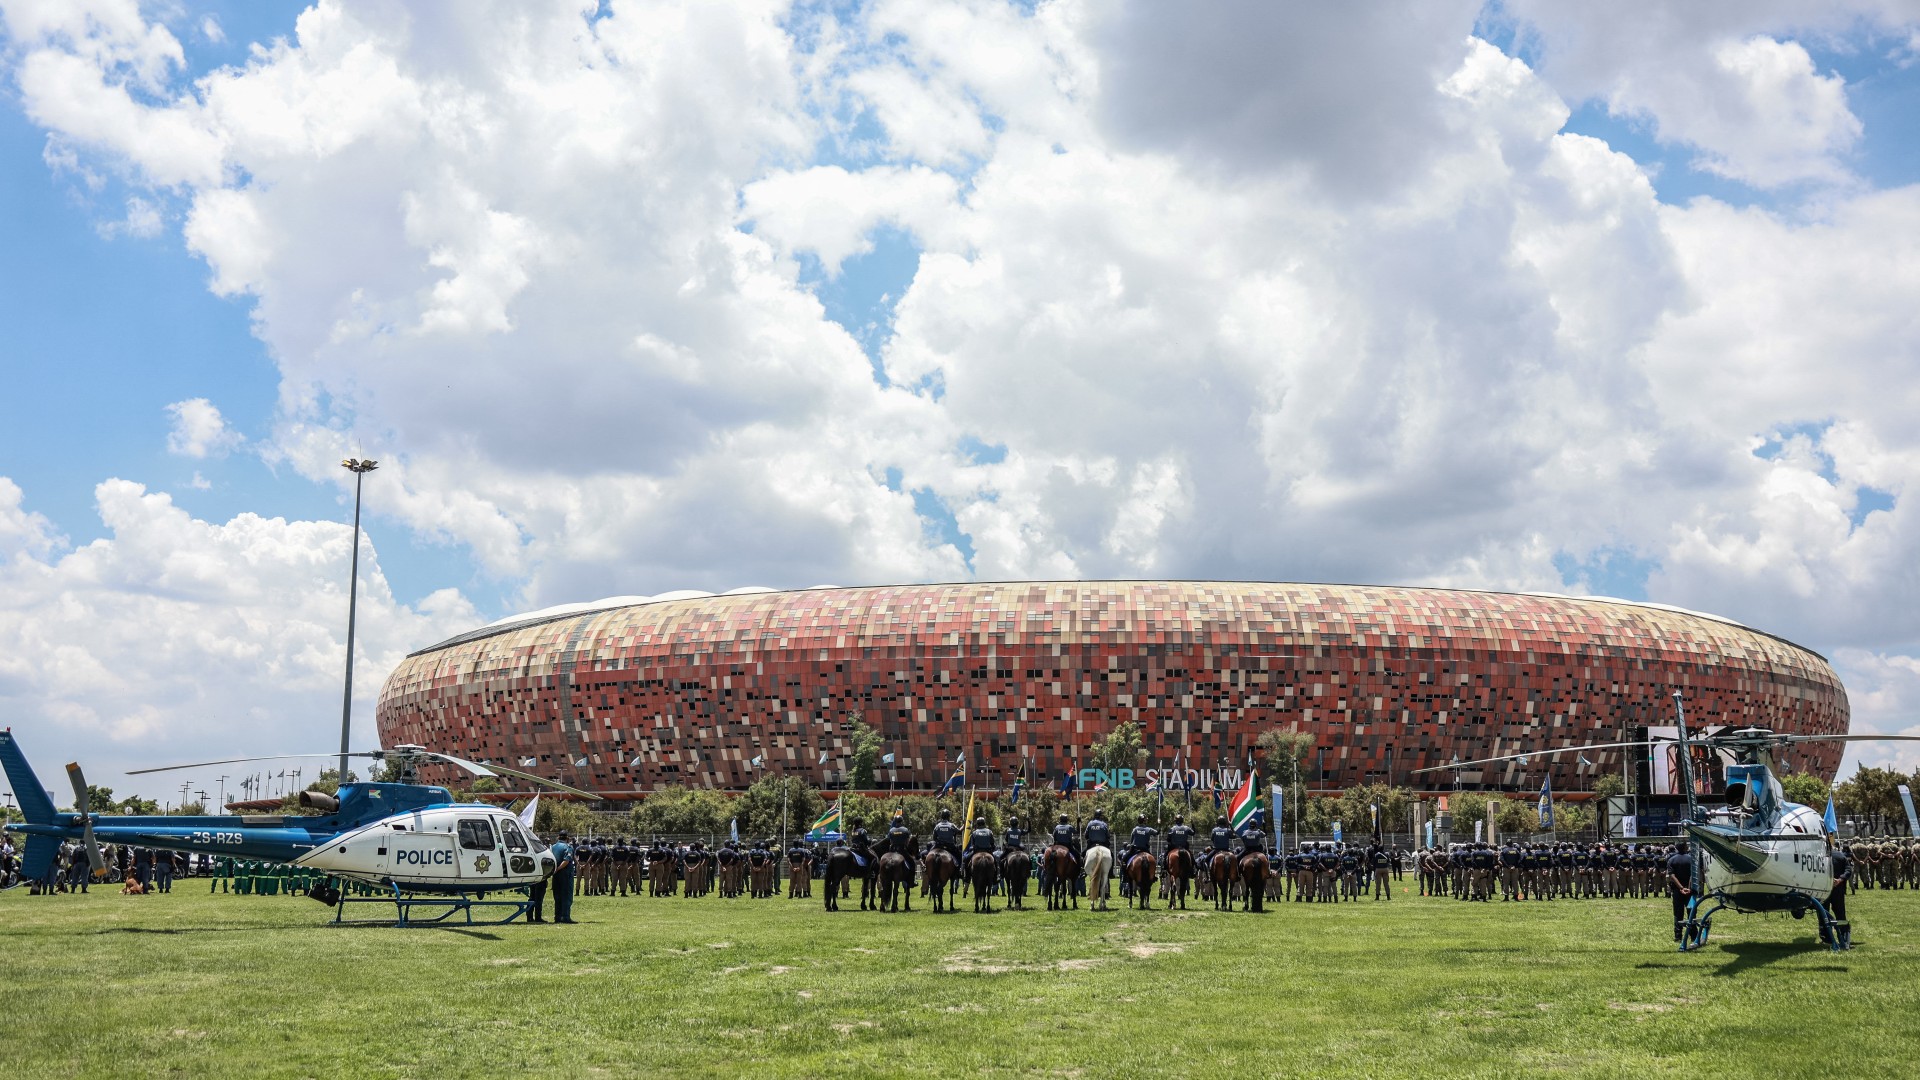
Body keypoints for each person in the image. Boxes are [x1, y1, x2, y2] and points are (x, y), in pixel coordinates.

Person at [1823, 843, 1851, 946]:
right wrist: (1840, 879)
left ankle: (1826, 937)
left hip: (1824, 888)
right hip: (1838, 888)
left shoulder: (1820, 856)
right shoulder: (1841, 856)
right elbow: (1848, 870)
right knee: (1840, 913)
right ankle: (1843, 935)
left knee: (1824, 914)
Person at [1666, 840, 1694, 943]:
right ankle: (1693, 935)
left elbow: (1672, 876)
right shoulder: (1691, 859)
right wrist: (1688, 887)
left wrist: (1681, 888)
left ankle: (1678, 936)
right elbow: (1693, 874)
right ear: (1686, 847)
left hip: (1677, 891)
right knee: (1691, 913)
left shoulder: (1671, 860)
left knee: (1678, 913)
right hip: (1690, 891)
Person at [550, 831, 577, 924]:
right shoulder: (568, 847)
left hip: (555, 874)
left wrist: (554, 870)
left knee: (557, 896)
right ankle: (565, 917)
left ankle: (557, 916)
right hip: (565, 874)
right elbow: (566, 860)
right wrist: (558, 869)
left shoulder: (553, 847)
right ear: (567, 838)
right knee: (566, 895)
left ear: (558, 837)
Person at [885, 812, 917, 887]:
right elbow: (908, 841)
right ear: (901, 821)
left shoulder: (891, 830)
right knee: (912, 863)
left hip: (892, 850)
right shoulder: (905, 830)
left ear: (895, 821)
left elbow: (888, 839)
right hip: (902, 851)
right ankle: (911, 881)